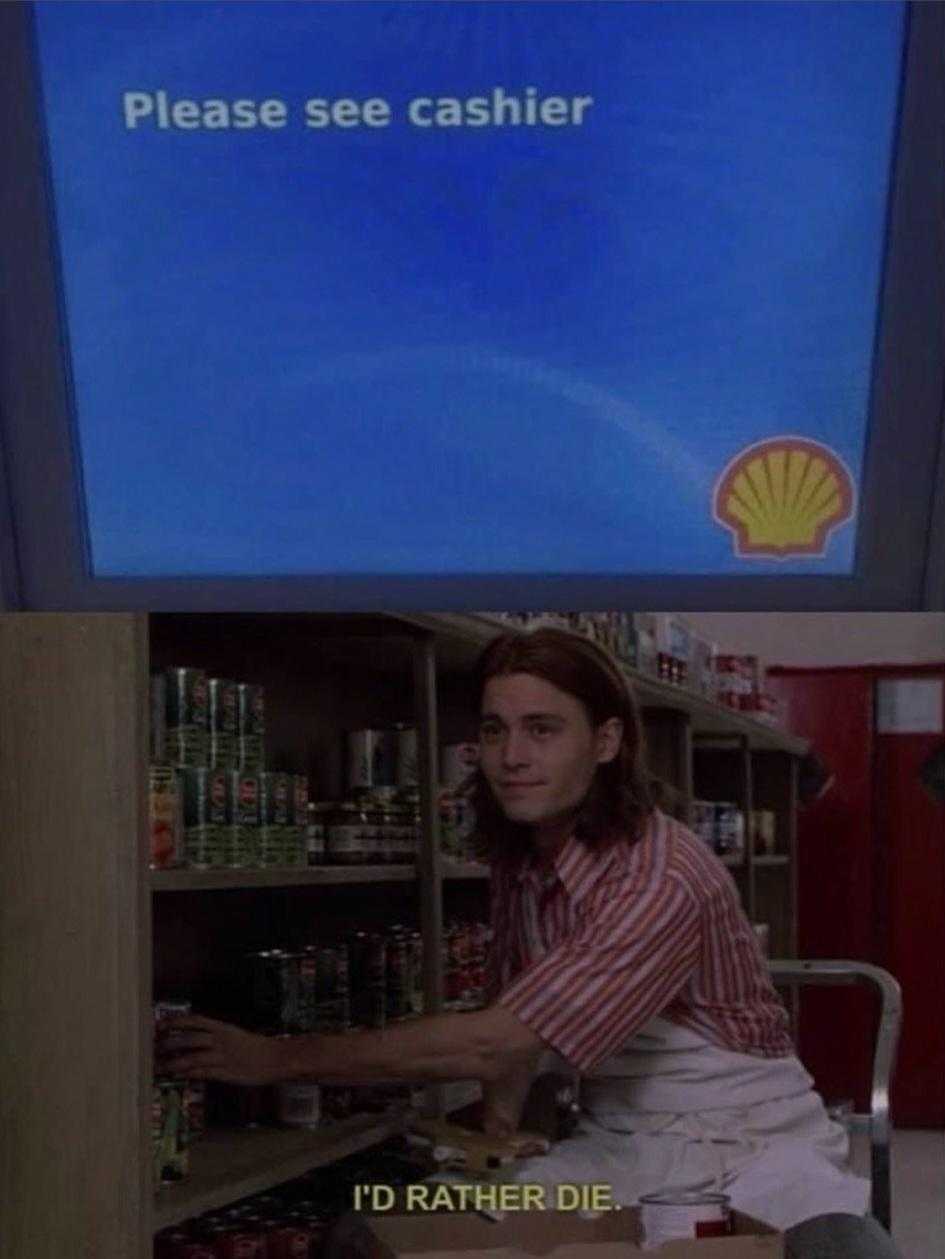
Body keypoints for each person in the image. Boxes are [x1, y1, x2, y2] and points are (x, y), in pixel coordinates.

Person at [160, 627, 901, 1257]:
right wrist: (498, 1131)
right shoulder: (523, 856)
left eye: (542, 729)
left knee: (839, 1247)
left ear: (606, 740)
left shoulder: (662, 873)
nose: (511, 754)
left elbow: (495, 1041)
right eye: (492, 729)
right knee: (377, 1228)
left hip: (758, 1148)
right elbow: (516, 1028)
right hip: (621, 1149)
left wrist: (276, 1060)